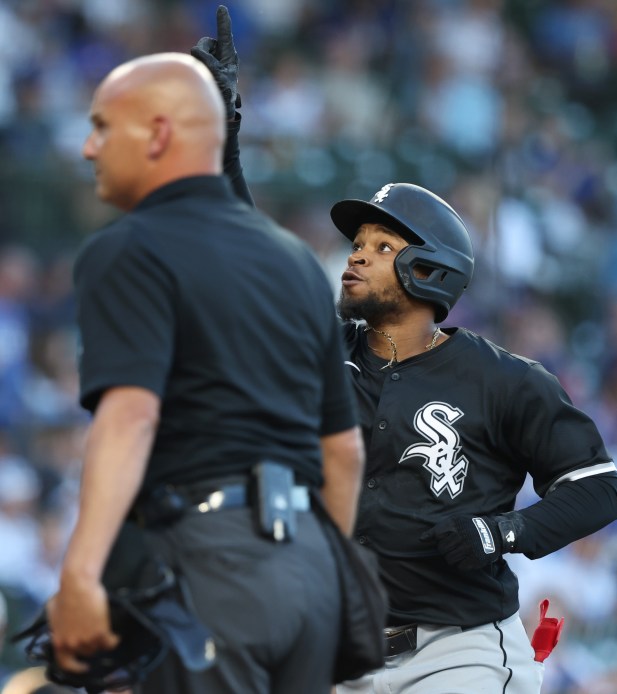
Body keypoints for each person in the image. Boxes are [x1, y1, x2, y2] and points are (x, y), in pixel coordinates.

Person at [193, 8, 617, 693]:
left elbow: (599, 488)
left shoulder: (501, 380)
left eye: (381, 248)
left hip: (460, 651)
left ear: (431, 272)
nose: (356, 257)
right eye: (358, 245)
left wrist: (503, 533)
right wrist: (221, 144)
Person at [45, 50, 365, 694]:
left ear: (159, 134)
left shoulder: (128, 246)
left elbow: (132, 415)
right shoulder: (297, 262)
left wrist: (79, 574)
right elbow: (345, 452)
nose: (87, 147)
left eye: (104, 126)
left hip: (208, 563)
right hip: (309, 572)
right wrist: (325, 579)